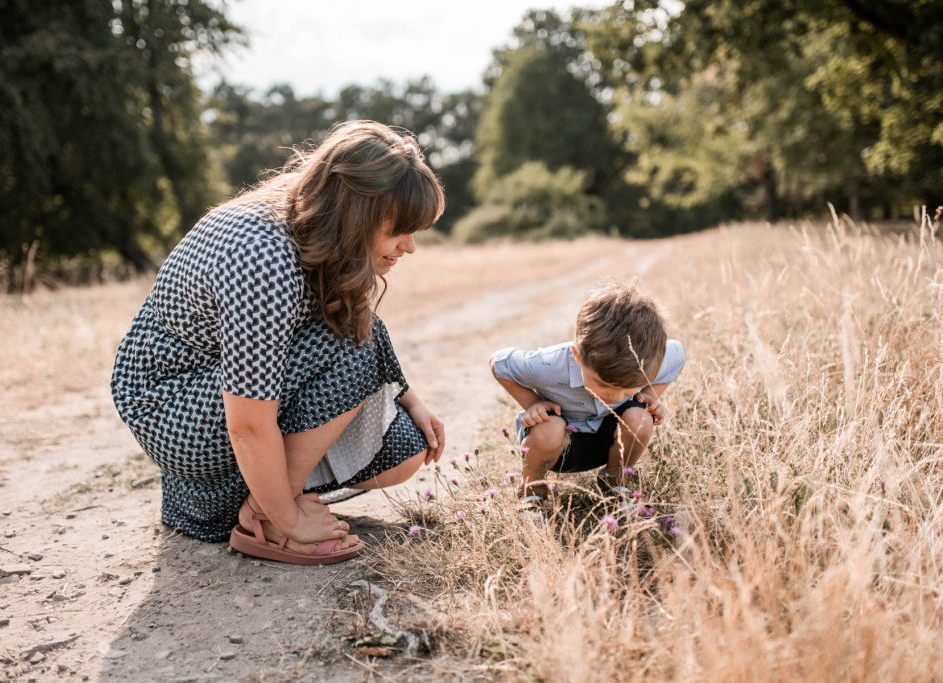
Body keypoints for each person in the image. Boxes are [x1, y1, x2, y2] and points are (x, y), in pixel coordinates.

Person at [111, 121, 446, 565]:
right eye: (399, 230)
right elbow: (248, 422)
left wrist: (409, 397)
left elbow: (352, 319)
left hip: (221, 393)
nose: (410, 247)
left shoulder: (316, 209)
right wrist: (288, 517)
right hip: (173, 407)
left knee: (404, 449)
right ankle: (269, 519)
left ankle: (233, 500)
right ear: (356, 214)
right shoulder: (263, 256)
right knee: (352, 350)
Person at [489, 282, 685, 502]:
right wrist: (532, 403)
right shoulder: (548, 365)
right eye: (604, 385)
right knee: (550, 428)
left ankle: (614, 480)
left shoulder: (650, 357)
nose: (616, 397)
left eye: (627, 389)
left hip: (608, 440)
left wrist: (649, 394)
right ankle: (532, 492)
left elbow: (678, 357)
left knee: (641, 417)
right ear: (577, 356)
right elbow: (499, 363)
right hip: (556, 444)